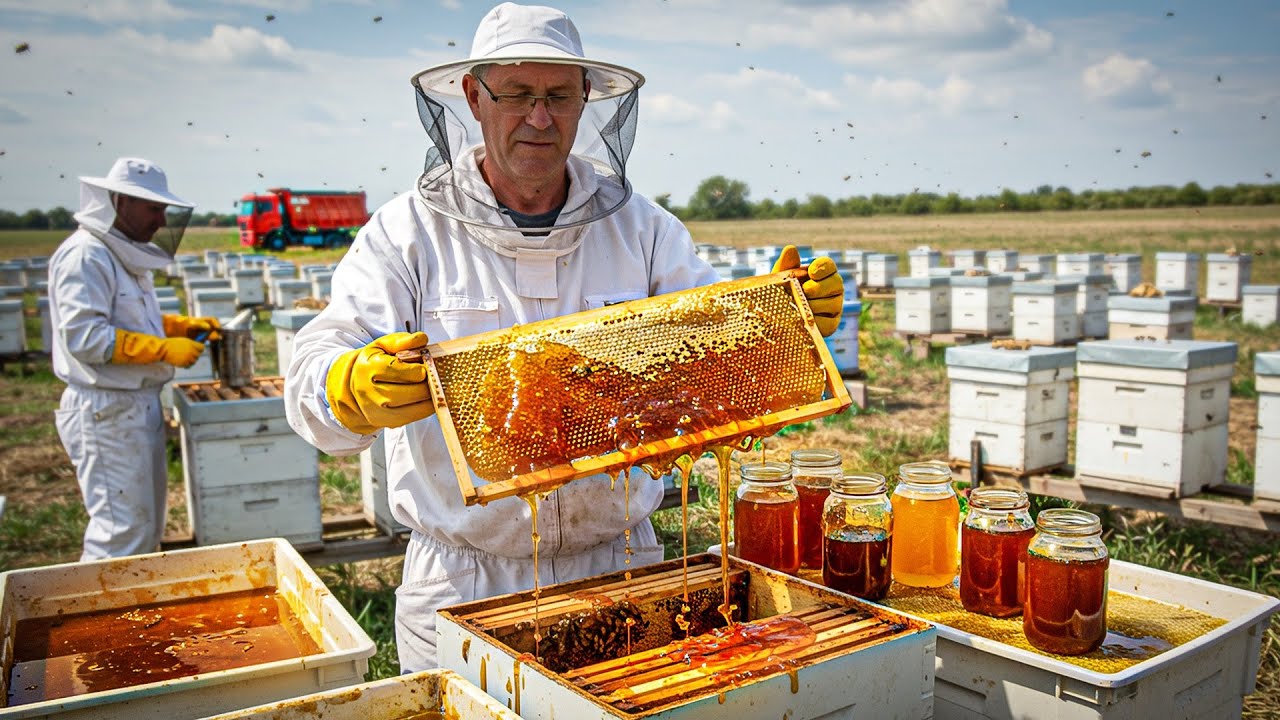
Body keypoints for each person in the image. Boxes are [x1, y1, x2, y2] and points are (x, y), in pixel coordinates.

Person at [283, 2, 843, 671]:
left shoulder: (644, 228)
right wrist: (346, 386)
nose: (539, 118)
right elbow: (318, 362)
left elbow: (718, 353)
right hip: (462, 576)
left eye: (558, 96)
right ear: (473, 96)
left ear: (585, 102)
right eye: (518, 94)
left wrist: (780, 328)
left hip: (623, 563)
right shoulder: (406, 232)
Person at [48, 157, 221, 561]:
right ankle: (98, 620)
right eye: (153, 208)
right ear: (120, 203)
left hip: (131, 406)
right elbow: (85, 337)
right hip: (105, 410)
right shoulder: (85, 256)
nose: (161, 220)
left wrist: (175, 326)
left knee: (143, 529)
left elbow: (128, 318)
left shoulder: (118, 256)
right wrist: (164, 348)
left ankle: (128, 618)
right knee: (119, 534)